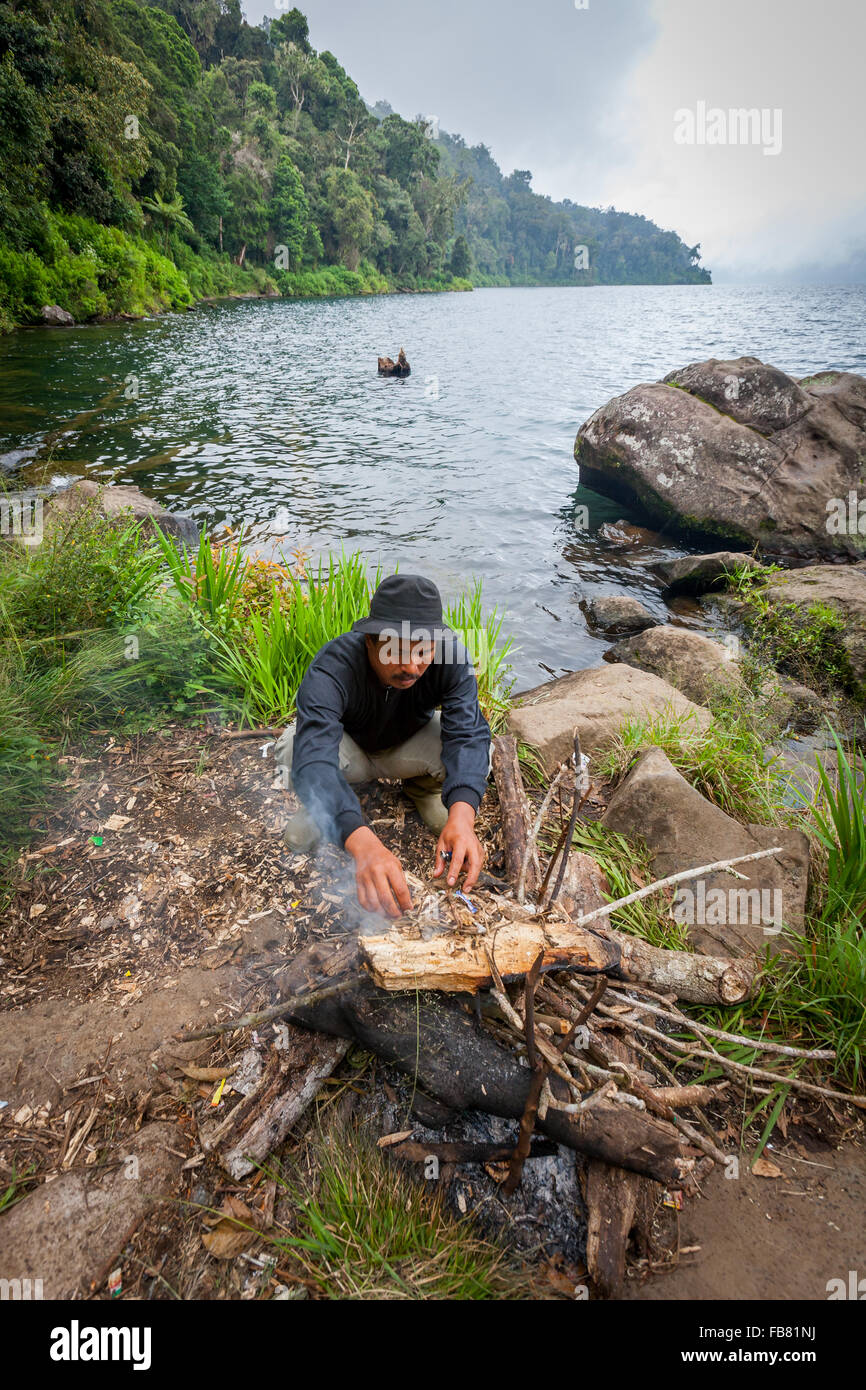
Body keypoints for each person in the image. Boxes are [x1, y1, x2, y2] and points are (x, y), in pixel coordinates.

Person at [274, 573, 490, 918]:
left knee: (480, 748)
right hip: (349, 753)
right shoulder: (333, 666)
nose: (411, 666)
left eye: (423, 651)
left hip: (407, 746)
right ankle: (333, 804)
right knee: (295, 752)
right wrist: (360, 839)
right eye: (397, 651)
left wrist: (463, 815)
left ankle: (423, 788)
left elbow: (467, 735)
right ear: (370, 642)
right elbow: (315, 758)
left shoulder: (452, 656)